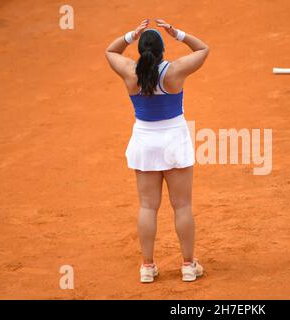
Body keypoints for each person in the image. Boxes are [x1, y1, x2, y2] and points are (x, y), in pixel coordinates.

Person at [105, 19, 209, 282]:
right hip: (174, 141)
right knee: (182, 205)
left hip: (145, 143)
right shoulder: (174, 71)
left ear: (141, 51)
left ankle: (147, 268)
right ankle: (187, 265)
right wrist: (178, 33)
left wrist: (131, 34)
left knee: (148, 207)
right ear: (163, 50)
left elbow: (110, 51)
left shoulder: (130, 71)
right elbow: (203, 49)